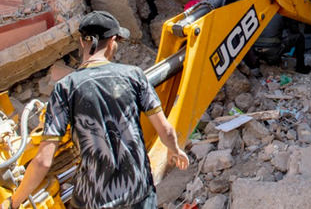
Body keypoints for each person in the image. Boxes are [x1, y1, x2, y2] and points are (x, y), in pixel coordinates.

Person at [6, 11, 189, 209]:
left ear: (81, 41)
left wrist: (14, 202)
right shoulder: (134, 76)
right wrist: (174, 149)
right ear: (112, 41)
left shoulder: (65, 87)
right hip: (138, 196)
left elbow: (43, 161)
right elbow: (166, 130)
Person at [245, 14, 311, 74]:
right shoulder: (282, 11)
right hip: (272, 53)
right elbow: (294, 30)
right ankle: (300, 67)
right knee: (299, 37)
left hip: (256, 52)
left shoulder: (258, 10)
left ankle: (254, 66)